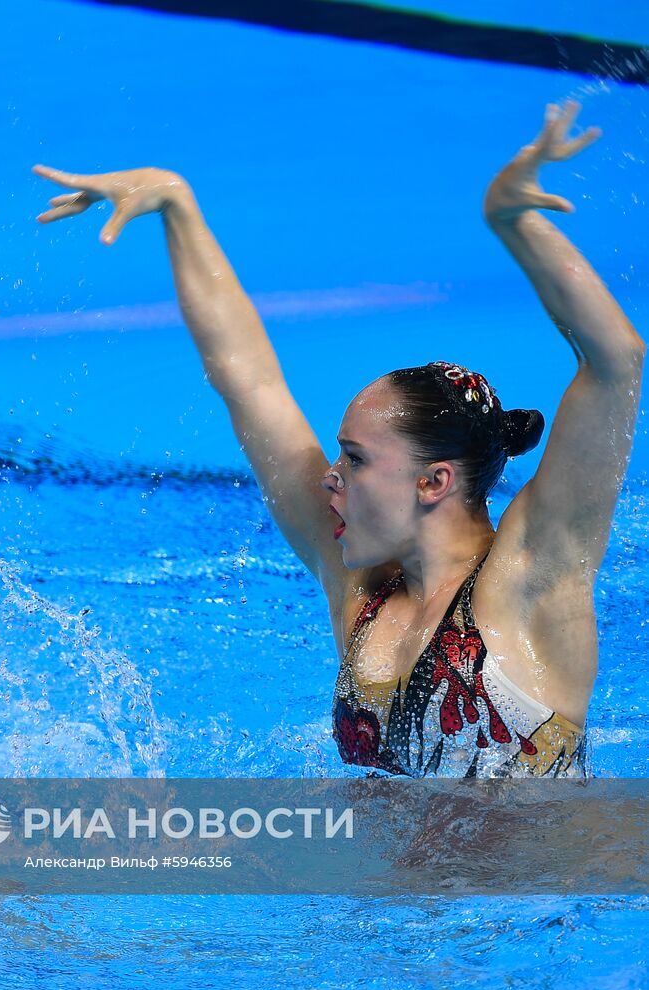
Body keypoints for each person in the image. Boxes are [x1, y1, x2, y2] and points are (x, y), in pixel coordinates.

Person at [36, 102, 643, 778]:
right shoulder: (360, 588)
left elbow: (614, 362)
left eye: (355, 459)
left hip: (541, 886)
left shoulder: (533, 576)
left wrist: (513, 222)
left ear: (434, 480)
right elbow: (252, 385)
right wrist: (178, 207)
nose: (330, 475)